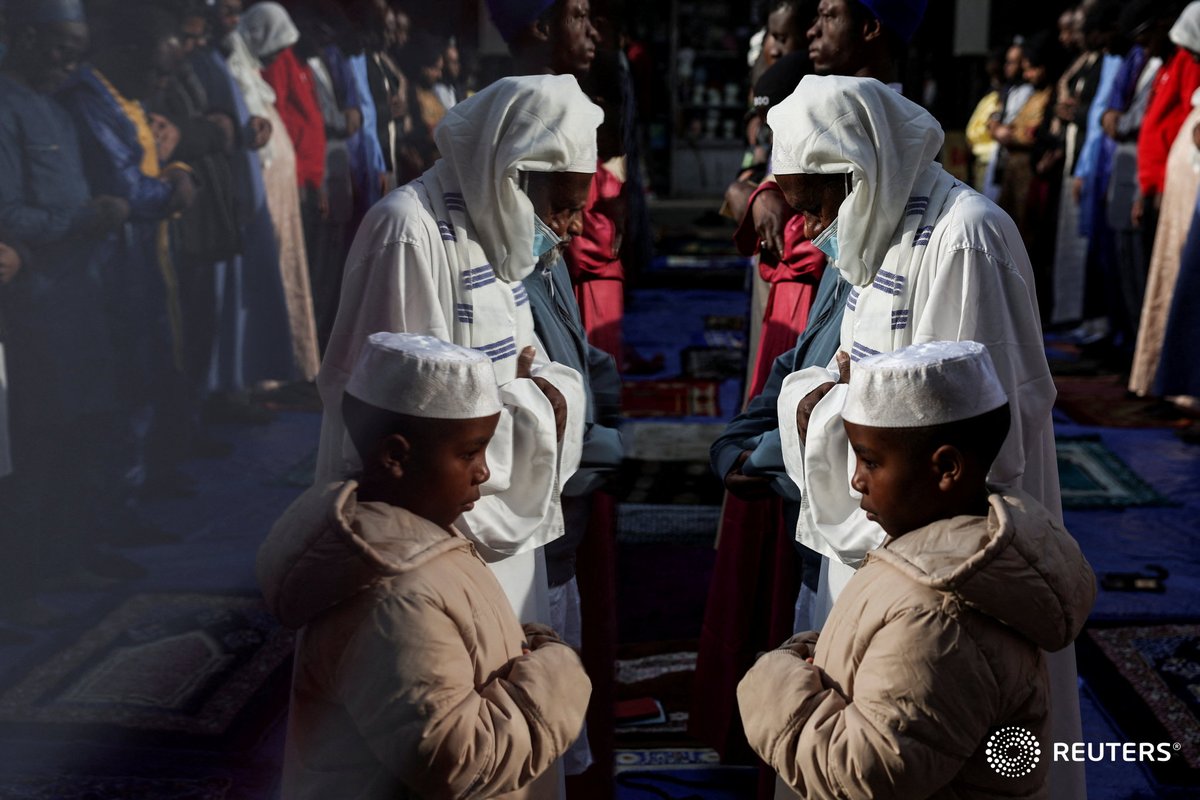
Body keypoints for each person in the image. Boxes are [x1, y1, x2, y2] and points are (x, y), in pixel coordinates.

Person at [767, 73, 1085, 800]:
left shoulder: (965, 237)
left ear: (860, 171)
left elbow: (983, 451)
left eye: (815, 203)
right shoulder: (878, 232)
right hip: (879, 552)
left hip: (948, 578)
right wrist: (832, 400)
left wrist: (832, 400)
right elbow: (856, 398)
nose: (811, 225)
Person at [692, 0, 927, 768]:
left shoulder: (940, 239)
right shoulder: (842, 233)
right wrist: (755, 437)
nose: (811, 38)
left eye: (825, 17)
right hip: (816, 445)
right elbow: (809, 370)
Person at [738, 341, 1096, 799]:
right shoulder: (934, 561)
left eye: (869, 460)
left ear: (945, 467)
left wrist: (774, 682)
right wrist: (823, 651)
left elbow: (868, 773)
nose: (856, 479)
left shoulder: (938, 615)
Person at [316, 74, 598, 630]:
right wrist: (530, 397)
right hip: (430, 540)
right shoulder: (408, 232)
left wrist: (537, 394)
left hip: (498, 517)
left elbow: (530, 370)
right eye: (563, 206)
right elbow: (403, 425)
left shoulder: (496, 232)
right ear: (512, 177)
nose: (574, 226)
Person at [259, 331, 591, 800]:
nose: (484, 472)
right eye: (469, 452)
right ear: (395, 456)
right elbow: (459, 761)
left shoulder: (414, 540)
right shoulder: (394, 597)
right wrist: (557, 675)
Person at [486, 0, 599, 79]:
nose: (593, 32)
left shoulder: (480, 107)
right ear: (542, 28)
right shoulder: (568, 109)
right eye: (581, 16)